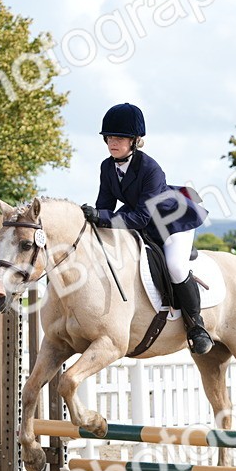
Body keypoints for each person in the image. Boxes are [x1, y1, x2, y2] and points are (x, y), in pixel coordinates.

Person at [82, 102, 213, 355]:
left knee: (175, 266)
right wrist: (93, 219)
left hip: (171, 222)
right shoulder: (107, 167)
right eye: (109, 137)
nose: (113, 142)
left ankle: (197, 327)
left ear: (134, 140)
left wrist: (102, 217)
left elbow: (141, 217)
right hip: (140, 219)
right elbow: (105, 206)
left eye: (120, 138)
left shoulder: (150, 168)